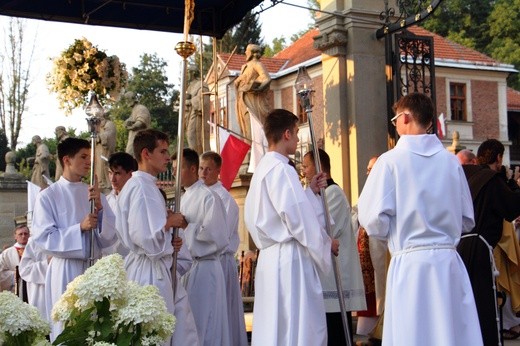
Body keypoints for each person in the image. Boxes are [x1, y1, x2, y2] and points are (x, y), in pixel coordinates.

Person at [358, 93, 482, 346]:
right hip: (448, 263)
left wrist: (394, 231)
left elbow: (371, 220)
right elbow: (467, 219)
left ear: (404, 118)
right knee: (449, 332)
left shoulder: (389, 162)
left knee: (413, 334)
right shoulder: (450, 162)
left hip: (411, 264)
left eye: (394, 119)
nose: (394, 125)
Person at [244, 108, 338, 346]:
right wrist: (326, 244)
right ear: (286, 134)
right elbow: (298, 220)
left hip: (270, 259)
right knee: (297, 326)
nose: (297, 139)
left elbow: (281, 213)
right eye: (296, 133)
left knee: (276, 326)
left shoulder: (262, 169)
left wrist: (309, 192)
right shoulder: (282, 169)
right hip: (290, 260)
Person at [115, 130, 198, 346]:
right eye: (162, 151)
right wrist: (170, 224)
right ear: (146, 154)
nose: (168, 157)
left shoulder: (142, 185)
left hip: (148, 266)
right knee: (157, 333)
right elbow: (147, 240)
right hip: (150, 272)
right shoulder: (142, 188)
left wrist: (169, 236)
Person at [31, 137, 117, 341]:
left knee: (95, 329)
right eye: (83, 157)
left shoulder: (94, 193)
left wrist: (100, 208)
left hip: (93, 268)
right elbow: (44, 238)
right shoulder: (48, 196)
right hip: (65, 270)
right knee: (67, 328)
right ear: (67, 160)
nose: (89, 162)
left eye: (90, 157)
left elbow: (109, 237)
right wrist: (78, 228)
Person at [457, 138, 520, 345]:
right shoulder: (492, 179)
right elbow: (510, 209)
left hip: (458, 246)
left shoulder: (467, 175)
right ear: (499, 158)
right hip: (479, 248)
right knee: (483, 303)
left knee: (464, 303)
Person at [301, 149, 366, 346]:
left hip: (335, 277)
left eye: (306, 166)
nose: (303, 171)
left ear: (320, 167)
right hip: (324, 275)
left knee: (336, 333)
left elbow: (322, 227)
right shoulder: (319, 194)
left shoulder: (333, 193)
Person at [172, 148, 230, 346]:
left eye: (177, 168)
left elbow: (218, 236)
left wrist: (187, 226)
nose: (173, 173)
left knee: (206, 323)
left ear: (192, 169)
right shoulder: (185, 196)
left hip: (206, 268)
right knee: (190, 323)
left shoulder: (209, 197)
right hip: (188, 268)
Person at [199, 151, 248, 346]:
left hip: (219, 261)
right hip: (203, 262)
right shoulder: (198, 194)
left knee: (222, 313)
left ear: (218, 171)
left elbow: (219, 236)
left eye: (208, 169)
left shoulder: (225, 200)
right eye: (201, 168)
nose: (203, 173)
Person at [354, 156, 388, 340]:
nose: (368, 172)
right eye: (367, 168)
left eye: (371, 168)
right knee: (367, 307)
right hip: (365, 261)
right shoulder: (367, 192)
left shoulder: (385, 191)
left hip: (380, 257)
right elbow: (356, 213)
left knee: (379, 301)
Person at [234, 43, 271, 140]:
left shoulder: (257, 64)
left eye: (247, 50)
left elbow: (266, 79)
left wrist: (257, 89)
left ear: (252, 52)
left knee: (253, 129)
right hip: (242, 100)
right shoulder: (245, 67)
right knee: (246, 129)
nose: (245, 52)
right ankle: (249, 151)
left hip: (252, 101)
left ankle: (253, 151)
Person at [103, 152, 137, 257]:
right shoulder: (106, 201)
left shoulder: (136, 201)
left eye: (117, 173)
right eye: (110, 173)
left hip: (130, 260)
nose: (112, 179)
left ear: (130, 174)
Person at [19, 236, 49, 320]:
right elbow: (25, 270)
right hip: (41, 294)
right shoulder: (34, 241)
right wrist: (47, 264)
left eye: (25, 233)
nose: (23, 236)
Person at [186, 68, 211, 154]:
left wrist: (194, 102)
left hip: (197, 114)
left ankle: (199, 158)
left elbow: (204, 100)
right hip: (189, 114)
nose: (187, 75)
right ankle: (194, 158)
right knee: (190, 137)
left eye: (188, 72)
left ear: (193, 73)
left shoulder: (201, 85)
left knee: (194, 136)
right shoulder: (189, 86)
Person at [0, 224, 30, 293]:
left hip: (33, 286)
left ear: (29, 235)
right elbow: (1, 272)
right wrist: (14, 275)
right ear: (15, 236)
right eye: (20, 234)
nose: (23, 236)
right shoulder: (7, 253)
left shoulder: (36, 251)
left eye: (25, 234)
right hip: (15, 288)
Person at [123, 91, 151, 157]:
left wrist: (133, 126)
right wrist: (127, 123)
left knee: (131, 154)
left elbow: (142, 121)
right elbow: (129, 120)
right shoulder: (134, 110)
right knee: (130, 155)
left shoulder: (141, 108)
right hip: (134, 137)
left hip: (139, 137)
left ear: (132, 99)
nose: (126, 101)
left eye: (127, 99)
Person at [96, 111, 117, 192]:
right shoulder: (98, 126)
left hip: (106, 150)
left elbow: (109, 134)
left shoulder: (109, 124)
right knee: (98, 166)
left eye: (99, 119)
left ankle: (106, 184)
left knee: (105, 164)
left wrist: (100, 137)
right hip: (98, 151)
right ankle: (99, 182)